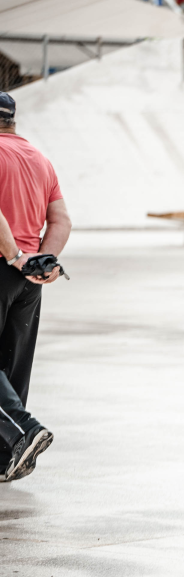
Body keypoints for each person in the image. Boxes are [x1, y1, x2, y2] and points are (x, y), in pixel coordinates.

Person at [0, 91, 70, 481]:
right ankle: (9, 455)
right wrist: (44, 261)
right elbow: (61, 220)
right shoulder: (39, 160)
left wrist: (13, 256)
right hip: (30, 279)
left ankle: (23, 428)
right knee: (12, 366)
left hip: (5, 264)